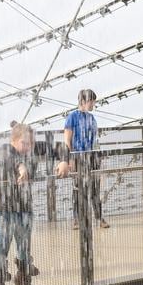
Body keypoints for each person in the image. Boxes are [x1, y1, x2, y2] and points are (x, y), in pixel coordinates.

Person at [0, 122, 69, 285]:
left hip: (24, 206)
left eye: (31, 143)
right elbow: (8, 158)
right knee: (2, 244)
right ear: (14, 140)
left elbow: (60, 146)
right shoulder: (5, 149)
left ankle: (23, 279)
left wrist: (63, 161)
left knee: (24, 245)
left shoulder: (33, 147)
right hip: (4, 206)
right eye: (25, 143)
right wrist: (21, 166)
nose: (29, 147)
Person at [64, 89, 109, 230]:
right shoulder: (72, 117)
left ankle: (99, 218)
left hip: (92, 157)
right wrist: (70, 158)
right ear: (83, 101)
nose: (93, 104)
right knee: (78, 189)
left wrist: (99, 156)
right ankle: (77, 219)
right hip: (78, 157)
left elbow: (95, 139)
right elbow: (67, 140)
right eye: (91, 101)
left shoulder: (92, 118)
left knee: (95, 189)